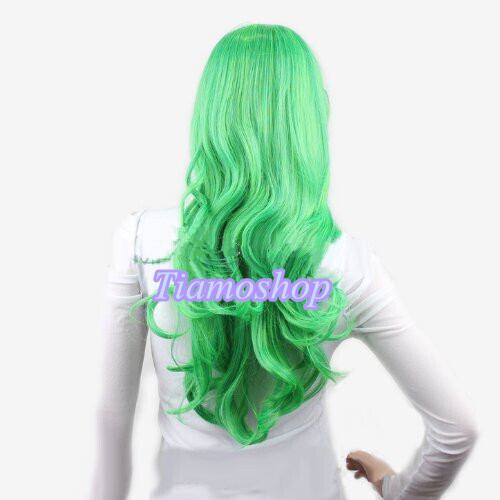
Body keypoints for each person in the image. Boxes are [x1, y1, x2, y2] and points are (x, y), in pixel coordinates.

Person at [90, 24, 478, 500]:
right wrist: (398, 490)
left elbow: (111, 419)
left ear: (209, 113)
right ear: (309, 120)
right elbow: (458, 429)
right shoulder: (348, 263)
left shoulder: (141, 241)